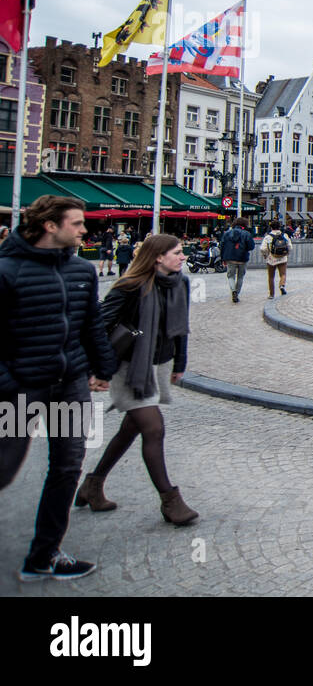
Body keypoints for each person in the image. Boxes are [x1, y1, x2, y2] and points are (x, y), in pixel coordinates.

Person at [0, 196, 117, 582]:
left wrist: (103, 367)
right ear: (50, 225)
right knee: (3, 466)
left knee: (67, 466)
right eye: (77, 223)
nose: (85, 230)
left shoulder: (82, 270)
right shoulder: (7, 271)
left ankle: (44, 555)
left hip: (70, 385)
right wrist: (9, 382)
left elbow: (92, 324)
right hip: (22, 390)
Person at [79, 235, 198, 526]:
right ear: (157, 256)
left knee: (131, 427)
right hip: (129, 367)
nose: (182, 257)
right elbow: (100, 326)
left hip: (159, 363)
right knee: (154, 429)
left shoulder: (180, 283)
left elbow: (181, 327)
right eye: (177, 253)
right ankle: (170, 500)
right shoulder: (129, 286)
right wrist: (98, 370)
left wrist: (180, 362)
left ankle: (93, 484)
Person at [220, 218, 256, 303]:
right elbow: (251, 247)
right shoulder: (247, 234)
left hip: (230, 257)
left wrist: (223, 258)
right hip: (242, 258)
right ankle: (237, 293)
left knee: (230, 276)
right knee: (240, 277)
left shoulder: (227, 233)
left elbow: (222, 246)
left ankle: (233, 290)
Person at [261, 220, 292, 297]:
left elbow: (263, 248)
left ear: (271, 227)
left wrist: (265, 255)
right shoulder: (284, 235)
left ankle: (271, 294)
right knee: (283, 274)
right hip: (283, 258)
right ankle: (282, 285)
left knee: (271, 277)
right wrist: (287, 253)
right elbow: (290, 246)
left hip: (271, 258)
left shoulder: (268, 237)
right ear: (279, 227)